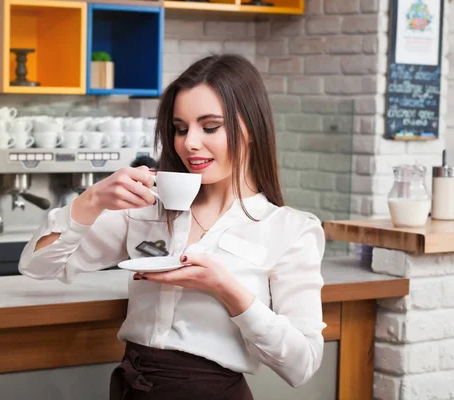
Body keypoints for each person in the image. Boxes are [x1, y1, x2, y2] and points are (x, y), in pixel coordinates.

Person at [18, 54, 326, 400]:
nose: (189, 143)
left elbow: (302, 365)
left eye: (210, 127)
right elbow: (37, 265)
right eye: (180, 128)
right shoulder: (146, 211)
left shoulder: (291, 230)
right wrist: (92, 200)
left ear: (251, 128)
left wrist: (227, 290)